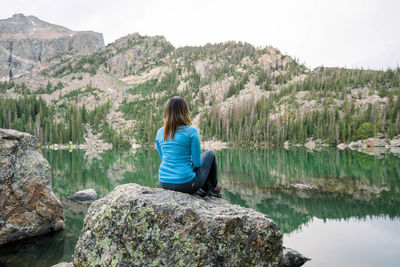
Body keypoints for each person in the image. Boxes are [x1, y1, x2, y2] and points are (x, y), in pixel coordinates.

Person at [155, 96, 221, 198]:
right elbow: (197, 163)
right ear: (185, 111)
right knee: (210, 154)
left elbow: (163, 158)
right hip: (185, 184)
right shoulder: (191, 132)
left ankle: (208, 188)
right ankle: (214, 189)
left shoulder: (160, 132)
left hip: (164, 182)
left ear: (167, 112)